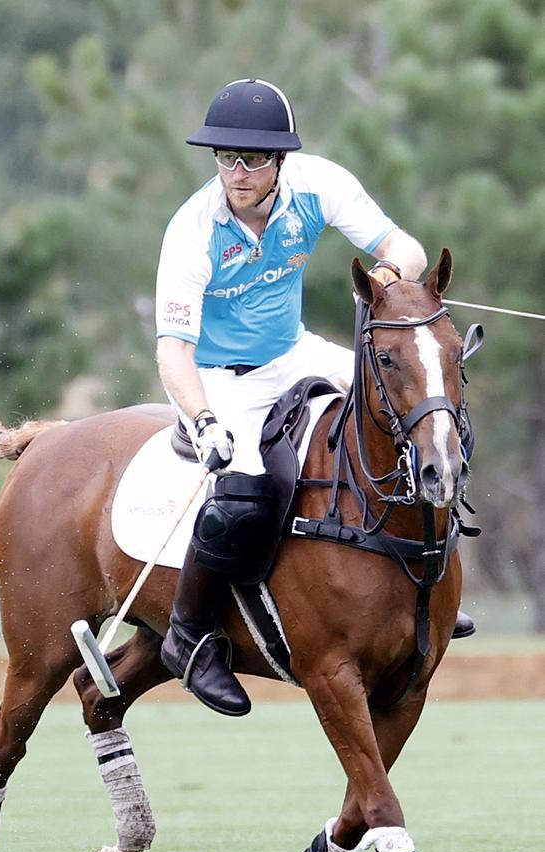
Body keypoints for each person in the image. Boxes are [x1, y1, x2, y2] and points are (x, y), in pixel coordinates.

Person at [155, 78, 473, 718]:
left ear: (280, 162)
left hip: (292, 350)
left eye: (251, 160)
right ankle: (190, 637)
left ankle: (428, 577)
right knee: (245, 493)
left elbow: (402, 247)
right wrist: (205, 417)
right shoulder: (194, 229)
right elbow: (172, 352)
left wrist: (389, 272)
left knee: (423, 413)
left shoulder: (319, 185)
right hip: (222, 375)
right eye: (224, 158)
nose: (236, 173)